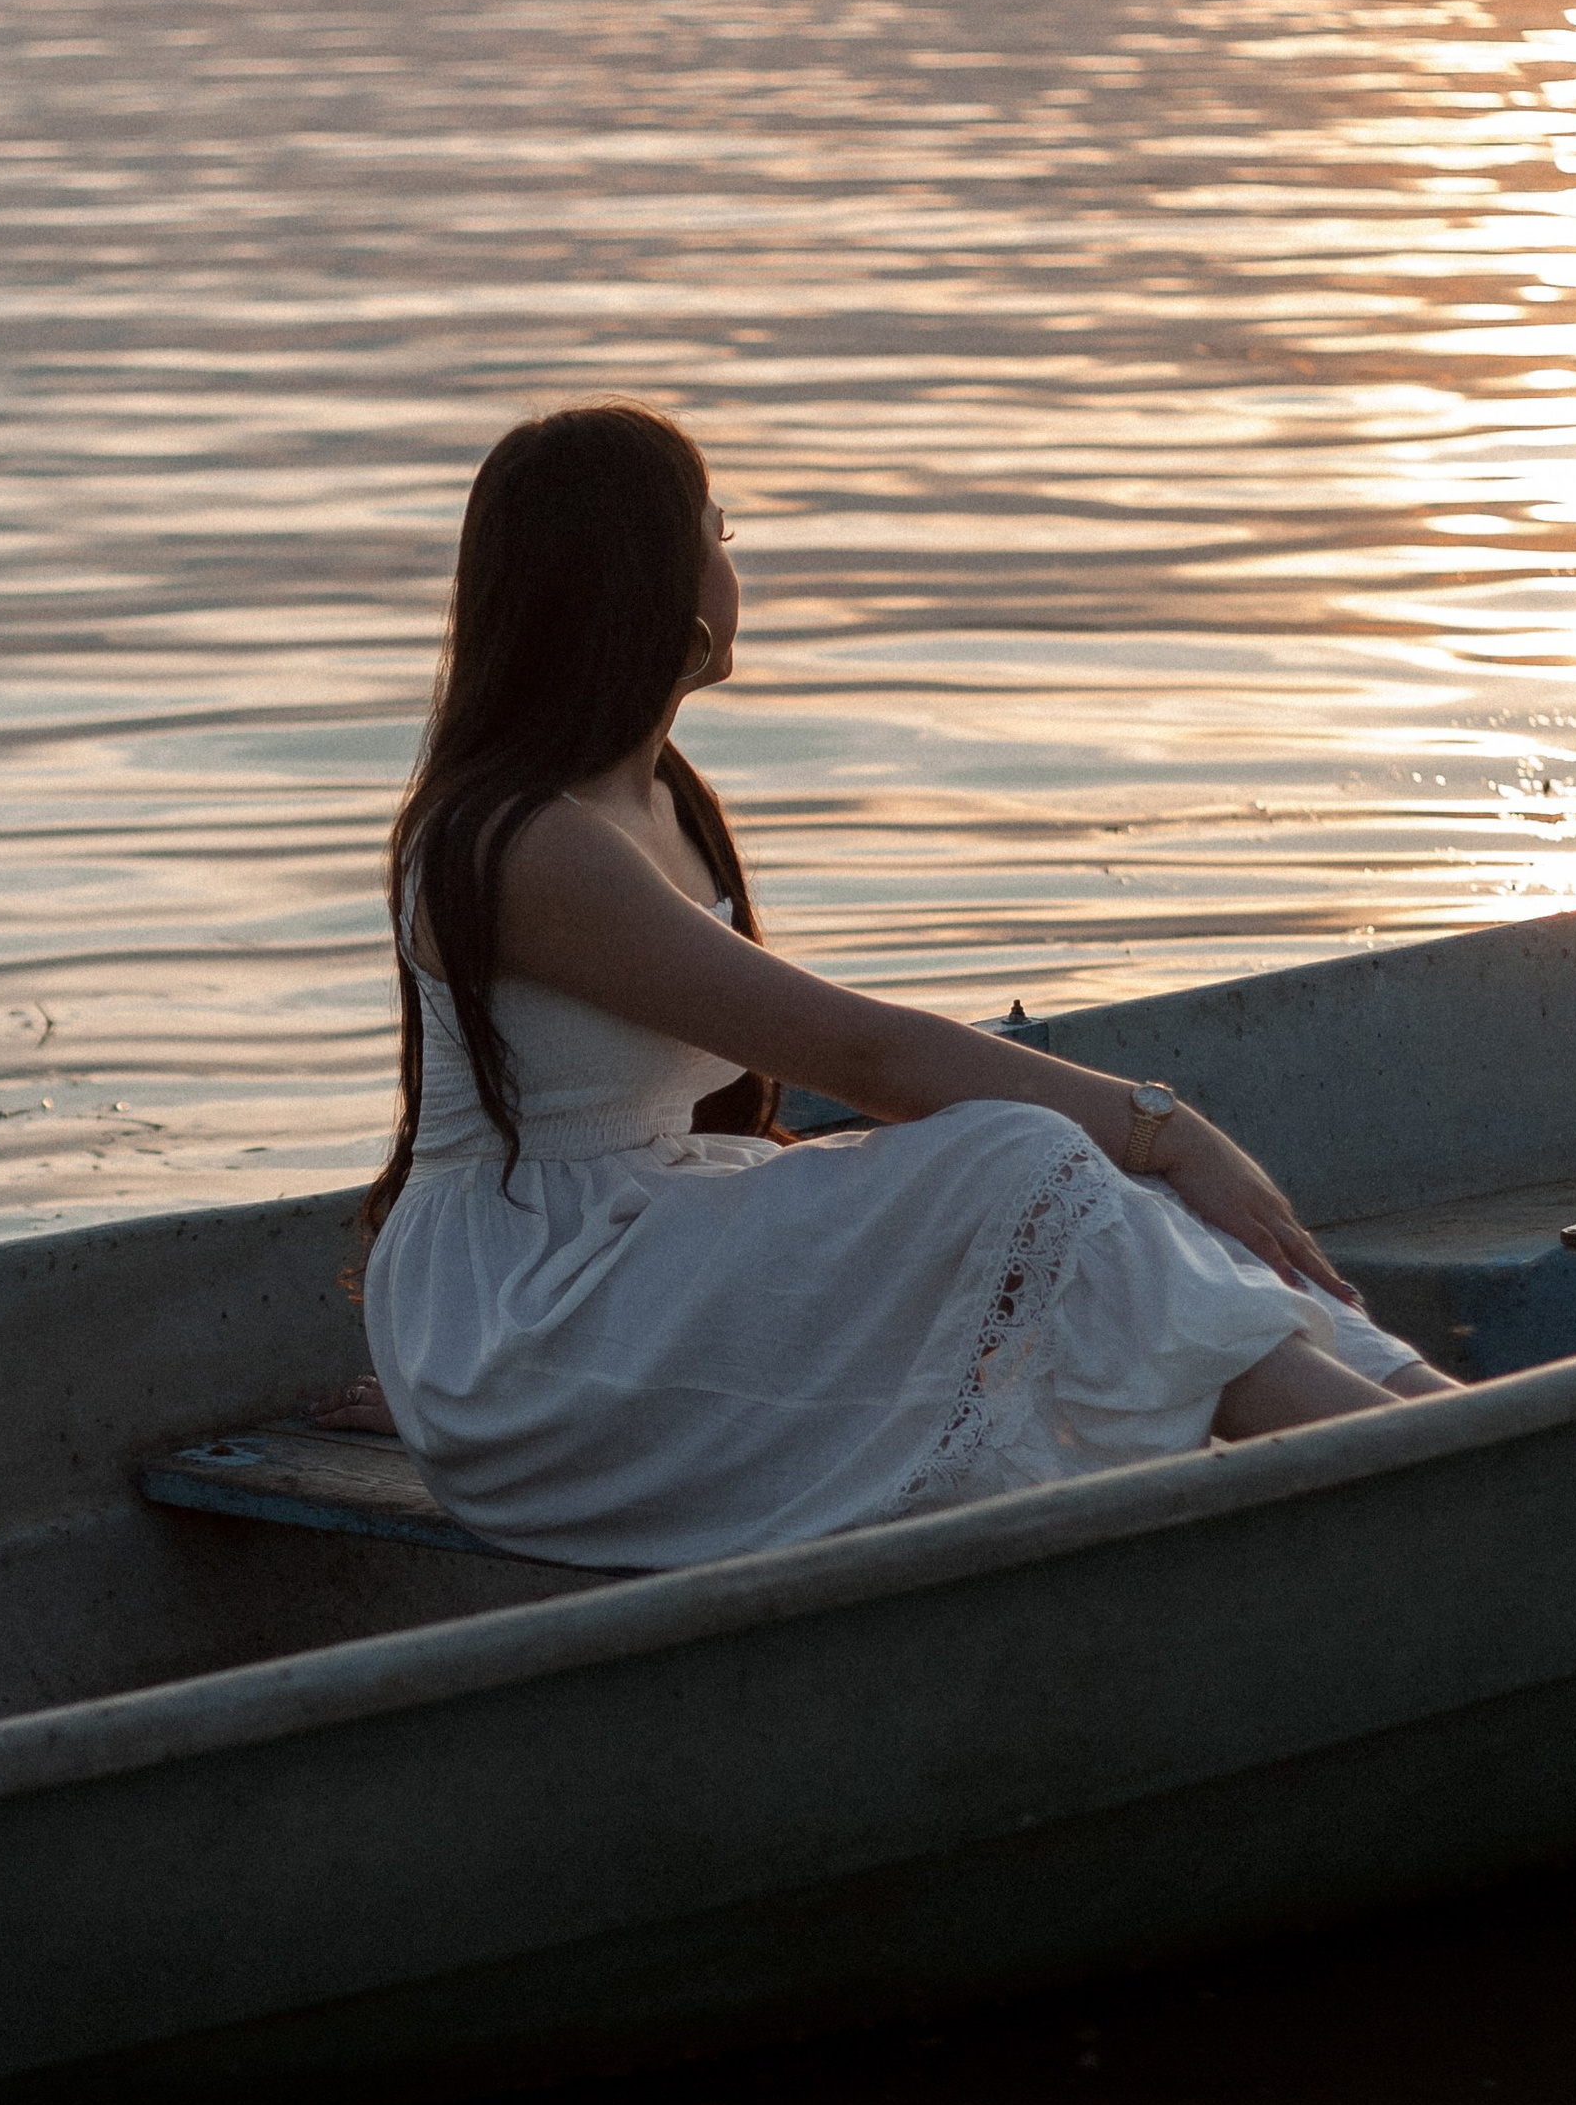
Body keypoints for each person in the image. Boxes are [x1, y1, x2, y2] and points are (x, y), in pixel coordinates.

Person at [329, 401, 1451, 1568]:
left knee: (1091, 1197)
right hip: (530, 1323)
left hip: (621, 1259)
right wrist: (1167, 1130)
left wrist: (1140, 1157)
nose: (734, 568)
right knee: (1029, 1159)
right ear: (649, 578)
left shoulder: (658, 797)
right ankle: (1434, 1464)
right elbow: (862, 1056)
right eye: (718, 536)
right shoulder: (528, 845)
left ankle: (1447, 1420)